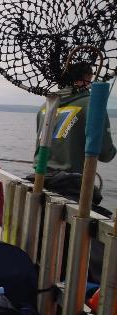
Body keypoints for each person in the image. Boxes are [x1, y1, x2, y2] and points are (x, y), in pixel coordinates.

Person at [31, 61, 115, 208]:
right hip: (68, 187)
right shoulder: (92, 103)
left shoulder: (46, 106)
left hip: (39, 180)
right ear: (87, 78)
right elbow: (105, 154)